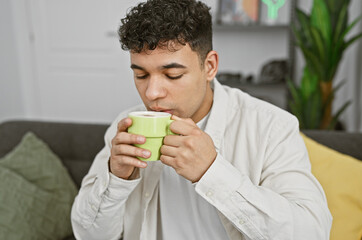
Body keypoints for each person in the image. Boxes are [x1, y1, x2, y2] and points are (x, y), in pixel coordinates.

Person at [71, 0, 332, 239]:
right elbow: (89, 234)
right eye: (141, 75)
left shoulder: (272, 127)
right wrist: (116, 179)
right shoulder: (125, 126)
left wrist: (213, 171)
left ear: (209, 66)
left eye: (172, 75)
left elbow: (312, 232)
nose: (151, 93)